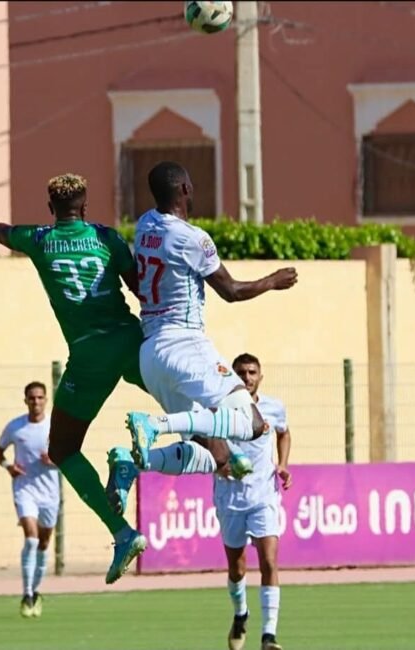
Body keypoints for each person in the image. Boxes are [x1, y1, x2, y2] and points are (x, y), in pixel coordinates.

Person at [0, 172, 147, 584]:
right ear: (85, 208)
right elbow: (144, 291)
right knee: (179, 400)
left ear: (51, 209)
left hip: (89, 354)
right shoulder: (109, 239)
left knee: (64, 449)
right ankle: (225, 446)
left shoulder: (40, 239)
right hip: (131, 339)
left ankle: (122, 531)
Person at [110, 161, 296, 501]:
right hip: (184, 344)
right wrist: (273, 281)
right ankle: (155, 426)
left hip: (151, 355)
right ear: (184, 189)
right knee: (254, 424)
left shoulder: (145, 224)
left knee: (218, 455)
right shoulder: (193, 239)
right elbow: (232, 291)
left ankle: (133, 464)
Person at [218, 353, 292, 650]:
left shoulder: (273, 408)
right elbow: (202, 439)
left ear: (260, 376)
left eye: (251, 372)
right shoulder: (221, 408)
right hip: (230, 497)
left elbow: (284, 434)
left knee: (270, 561)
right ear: (233, 378)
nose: (246, 377)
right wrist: (219, 463)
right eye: (241, 373)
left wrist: (284, 463)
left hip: (264, 496)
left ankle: (269, 636)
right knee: (237, 568)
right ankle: (240, 614)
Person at [0, 381, 58, 618]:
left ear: (46, 400)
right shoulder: (16, 427)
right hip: (25, 490)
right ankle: (27, 593)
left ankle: (36, 590)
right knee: (31, 539)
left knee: (43, 543)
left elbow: (70, 455)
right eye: (32, 398)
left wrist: (55, 460)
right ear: (25, 400)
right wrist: (8, 466)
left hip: (50, 492)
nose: (36, 402)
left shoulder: (55, 426)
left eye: (40, 398)